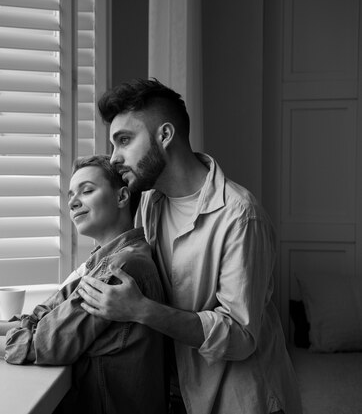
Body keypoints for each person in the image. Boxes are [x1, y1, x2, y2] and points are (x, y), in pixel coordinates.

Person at [76, 78, 302, 414]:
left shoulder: (240, 217)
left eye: (124, 141)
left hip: (242, 399)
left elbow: (239, 335)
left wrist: (142, 310)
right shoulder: (151, 203)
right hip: (182, 390)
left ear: (165, 136)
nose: (114, 158)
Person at [0, 155, 167, 414]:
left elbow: (49, 343)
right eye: (71, 195)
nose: (73, 203)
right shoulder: (105, 260)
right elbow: (44, 317)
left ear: (121, 197)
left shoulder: (122, 267)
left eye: (87, 191)